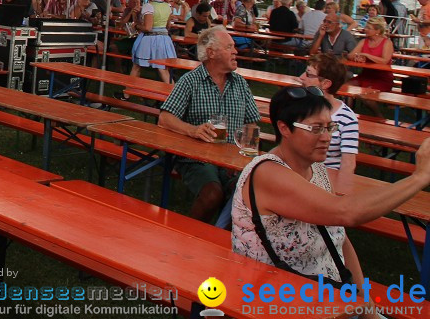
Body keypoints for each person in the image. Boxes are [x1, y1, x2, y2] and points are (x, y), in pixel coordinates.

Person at [231, 85, 430, 294]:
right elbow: (345, 213)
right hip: (274, 299)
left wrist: (365, 303)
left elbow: (338, 236)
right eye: (316, 129)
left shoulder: (315, 168)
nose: (327, 137)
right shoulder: (267, 173)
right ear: (284, 128)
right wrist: (419, 178)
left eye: (330, 127)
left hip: (327, 294)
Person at [159, 27, 260, 222]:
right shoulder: (190, 81)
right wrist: (193, 130)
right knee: (212, 195)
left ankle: (223, 237)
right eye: (229, 47)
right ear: (211, 53)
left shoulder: (240, 83)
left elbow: (252, 122)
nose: (236, 51)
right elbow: (165, 118)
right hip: (197, 158)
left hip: (232, 158)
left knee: (247, 194)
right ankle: (191, 236)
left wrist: (245, 157)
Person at [298, 54, 359, 196]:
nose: (301, 77)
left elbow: (348, 163)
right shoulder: (300, 109)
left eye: (309, 74)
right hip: (298, 177)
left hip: (326, 183)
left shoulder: (347, 118)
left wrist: (338, 195)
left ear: (325, 84)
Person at [130, 0, 176, 82]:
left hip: (149, 39)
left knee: (137, 66)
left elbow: (147, 27)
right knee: (163, 68)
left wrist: (136, 25)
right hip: (164, 39)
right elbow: (168, 26)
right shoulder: (167, 6)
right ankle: (175, 94)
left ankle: (127, 93)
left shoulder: (148, 6)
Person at [349, 16, 394, 92]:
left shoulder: (387, 42)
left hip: (382, 78)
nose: (365, 29)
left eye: (368, 28)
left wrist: (366, 55)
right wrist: (357, 58)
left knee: (367, 95)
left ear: (378, 31)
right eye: (366, 27)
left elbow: (384, 61)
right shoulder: (364, 41)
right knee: (345, 87)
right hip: (365, 76)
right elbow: (350, 55)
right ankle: (348, 104)